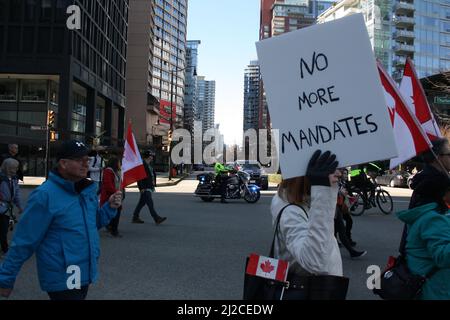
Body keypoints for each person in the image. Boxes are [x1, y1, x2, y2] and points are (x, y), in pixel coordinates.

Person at [0, 140, 122, 300]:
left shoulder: (86, 191)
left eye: (87, 160)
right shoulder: (45, 195)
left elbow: (92, 224)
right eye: (80, 160)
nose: (86, 164)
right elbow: (24, 240)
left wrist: (110, 207)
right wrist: (6, 279)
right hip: (62, 274)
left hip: (83, 271)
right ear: (63, 163)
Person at [271, 150, 346, 299]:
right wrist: (323, 190)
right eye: (332, 169)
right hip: (307, 291)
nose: (339, 173)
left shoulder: (303, 200)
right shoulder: (290, 210)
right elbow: (314, 261)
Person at [396, 168, 450, 299]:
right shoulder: (432, 219)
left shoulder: (423, 214)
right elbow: (443, 256)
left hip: (424, 284)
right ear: (441, 194)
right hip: (434, 290)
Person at [132, 150, 166, 225]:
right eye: (151, 155)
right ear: (148, 156)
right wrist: (141, 188)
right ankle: (156, 218)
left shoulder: (148, 164)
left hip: (149, 186)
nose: (152, 157)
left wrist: (153, 183)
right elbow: (139, 177)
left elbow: (151, 175)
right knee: (150, 203)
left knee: (141, 203)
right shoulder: (142, 164)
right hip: (145, 187)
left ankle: (135, 217)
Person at [335, 181, 367, 258]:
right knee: (337, 230)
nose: (339, 173)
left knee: (340, 229)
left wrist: (347, 195)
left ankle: (351, 251)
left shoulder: (340, 181)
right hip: (332, 207)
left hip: (337, 207)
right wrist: (339, 191)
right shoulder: (327, 177)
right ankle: (351, 251)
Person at [0, 158, 23, 256]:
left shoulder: (14, 179)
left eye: (16, 167)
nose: (16, 169)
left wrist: (20, 206)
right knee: (3, 229)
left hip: (7, 208)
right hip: (1, 207)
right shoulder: (1, 178)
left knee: (4, 229)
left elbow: (16, 193)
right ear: (8, 168)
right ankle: (5, 249)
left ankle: (4, 248)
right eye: (14, 168)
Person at [100, 157, 124, 237]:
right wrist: (116, 192)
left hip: (114, 194)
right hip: (110, 196)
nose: (120, 164)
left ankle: (110, 226)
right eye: (119, 162)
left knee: (115, 211)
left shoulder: (115, 171)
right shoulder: (108, 171)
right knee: (116, 211)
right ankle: (114, 230)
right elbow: (108, 185)